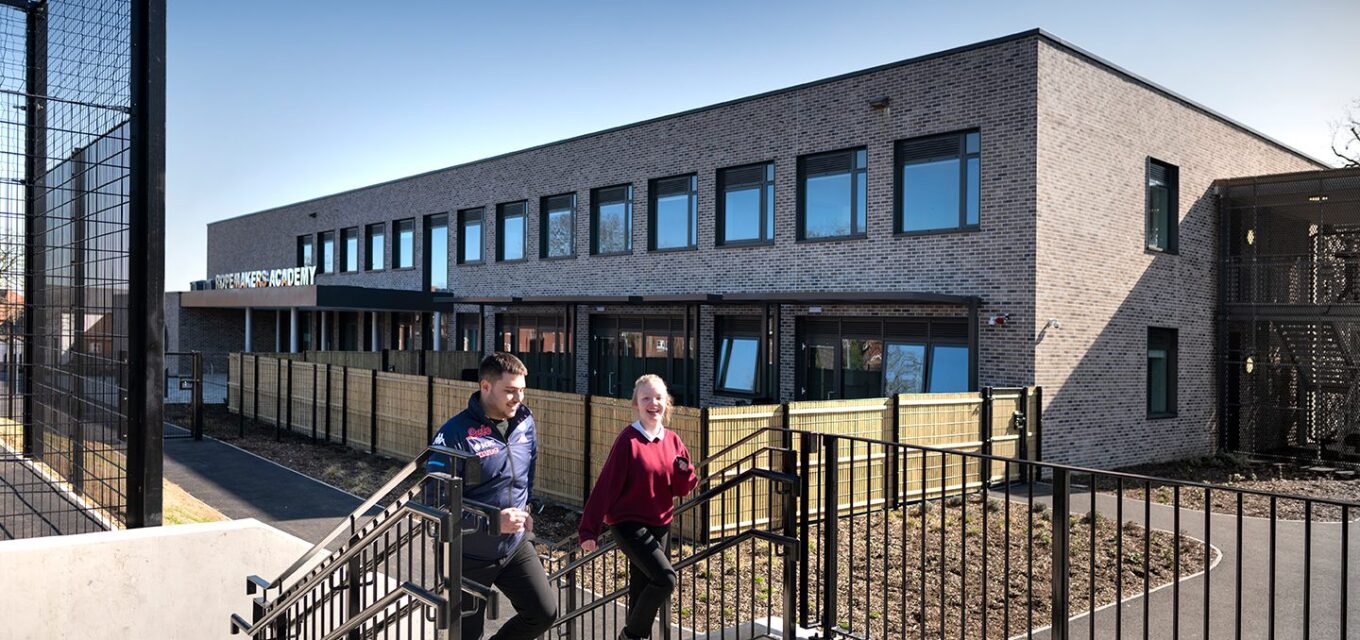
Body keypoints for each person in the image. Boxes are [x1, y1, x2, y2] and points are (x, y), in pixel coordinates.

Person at [427, 352, 557, 640]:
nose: (518, 398)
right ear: (485, 386)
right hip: (467, 554)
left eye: (522, 390)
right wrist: (493, 520)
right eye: (510, 391)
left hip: (513, 546)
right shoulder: (454, 435)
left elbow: (527, 469)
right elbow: (434, 501)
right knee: (464, 635)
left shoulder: (524, 421)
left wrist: (528, 505)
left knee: (543, 613)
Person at [578, 374, 700, 640]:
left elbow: (681, 489)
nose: (653, 403)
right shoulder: (628, 441)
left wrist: (684, 472)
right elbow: (605, 486)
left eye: (658, 397)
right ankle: (631, 636)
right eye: (646, 398)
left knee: (641, 585)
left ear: (666, 403)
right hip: (628, 523)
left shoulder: (673, 441)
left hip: (662, 523)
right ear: (635, 404)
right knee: (665, 579)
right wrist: (589, 530)